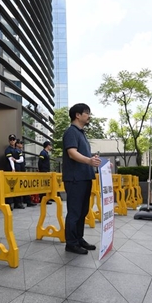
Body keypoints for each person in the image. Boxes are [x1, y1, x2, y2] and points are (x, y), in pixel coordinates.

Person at [62, 103, 100, 254]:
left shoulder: (81, 133)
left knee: (83, 211)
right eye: (87, 113)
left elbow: (81, 155)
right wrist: (89, 161)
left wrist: (92, 159)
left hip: (84, 177)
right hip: (75, 178)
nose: (89, 116)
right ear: (77, 115)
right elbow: (72, 153)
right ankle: (71, 243)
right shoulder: (71, 132)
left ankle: (79, 239)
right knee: (75, 211)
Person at [4, 134, 24, 209]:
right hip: (10, 171)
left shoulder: (18, 150)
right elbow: (10, 160)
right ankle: (9, 204)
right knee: (10, 188)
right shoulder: (8, 150)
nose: (12, 141)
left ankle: (17, 203)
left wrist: (16, 160)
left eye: (13, 139)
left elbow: (21, 160)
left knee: (18, 187)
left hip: (18, 171)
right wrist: (13, 169)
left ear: (15, 140)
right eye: (11, 139)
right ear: (9, 141)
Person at [15, 140, 36, 207]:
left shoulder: (20, 151)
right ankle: (19, 202)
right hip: (18, 171)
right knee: (19, 187)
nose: (22, 144)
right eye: (20, 143)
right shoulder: (16, 151)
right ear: (17, 144)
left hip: (22, 170)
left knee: (24, 186)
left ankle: (27, 201)